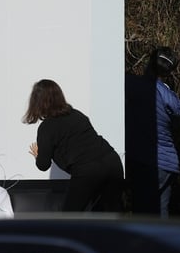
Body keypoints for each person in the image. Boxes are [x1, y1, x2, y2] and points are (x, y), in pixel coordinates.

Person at [24, 79, 124, 212]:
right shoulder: (77, 115)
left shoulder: (47, 128)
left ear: (38, 102)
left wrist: (38, 155)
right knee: (108, 215)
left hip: (88, 170)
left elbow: (43, 165)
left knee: (70, 216)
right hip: (112, 162)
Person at [144, 47, 180, 218]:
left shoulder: (139, 86)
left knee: (144, 213)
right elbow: (178, 111)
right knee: (160, 214)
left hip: (148, 160)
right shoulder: (169, 95)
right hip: (168, 162)